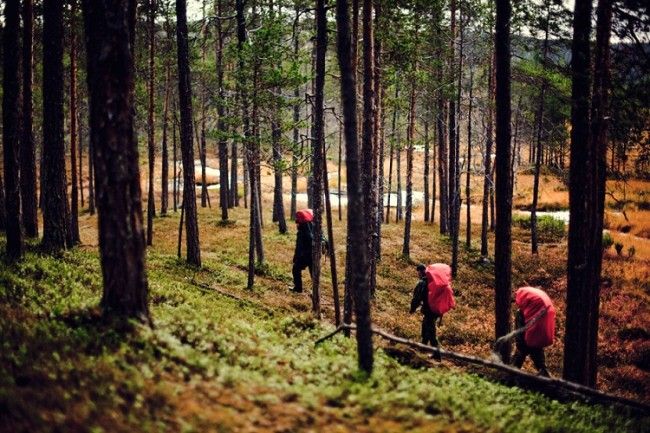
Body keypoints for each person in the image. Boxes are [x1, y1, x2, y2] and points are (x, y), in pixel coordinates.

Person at [511, 286, 556, 377]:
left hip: (527, 339)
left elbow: (520, 329)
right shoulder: (532, 302)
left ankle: (509, 376)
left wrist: (519, 342)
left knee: (522, 351)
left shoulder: (521, 310)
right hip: (535, 334)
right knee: (536, 351)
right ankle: (545, 374)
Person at [409, 264, 442, 360]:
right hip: (435, 311)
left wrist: (412, 309)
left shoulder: (422, 283)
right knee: (426, 330)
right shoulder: (433, 281)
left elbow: (416, 298)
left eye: (418, 272)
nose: (418, 274)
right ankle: (422, 350)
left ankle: (436, 355)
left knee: (430, 333)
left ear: (420, 271)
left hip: (429, 311)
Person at [291, 209, 314, 293]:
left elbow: (299, 248)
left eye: (297, 222)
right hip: (314, 255)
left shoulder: (301, 232)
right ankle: (316, 291)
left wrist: (295, 258)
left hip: (305, 256)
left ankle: (298, 288)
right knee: (314, 273)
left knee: (295, 269)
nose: (296, 224)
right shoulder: (313, 227)